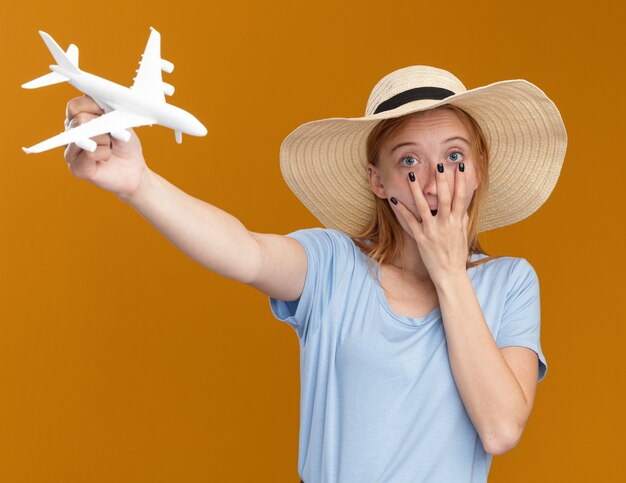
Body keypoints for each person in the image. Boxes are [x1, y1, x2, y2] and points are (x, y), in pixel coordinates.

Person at [62, 65, 567, 483]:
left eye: (454, 157)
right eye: (409, 160)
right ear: (378, 180)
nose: (433, 181)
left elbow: (500, 429)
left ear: (477, 170)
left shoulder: (511, 283)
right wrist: (138, 184)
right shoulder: (334, 265)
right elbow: (246, 253)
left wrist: (450, 273)